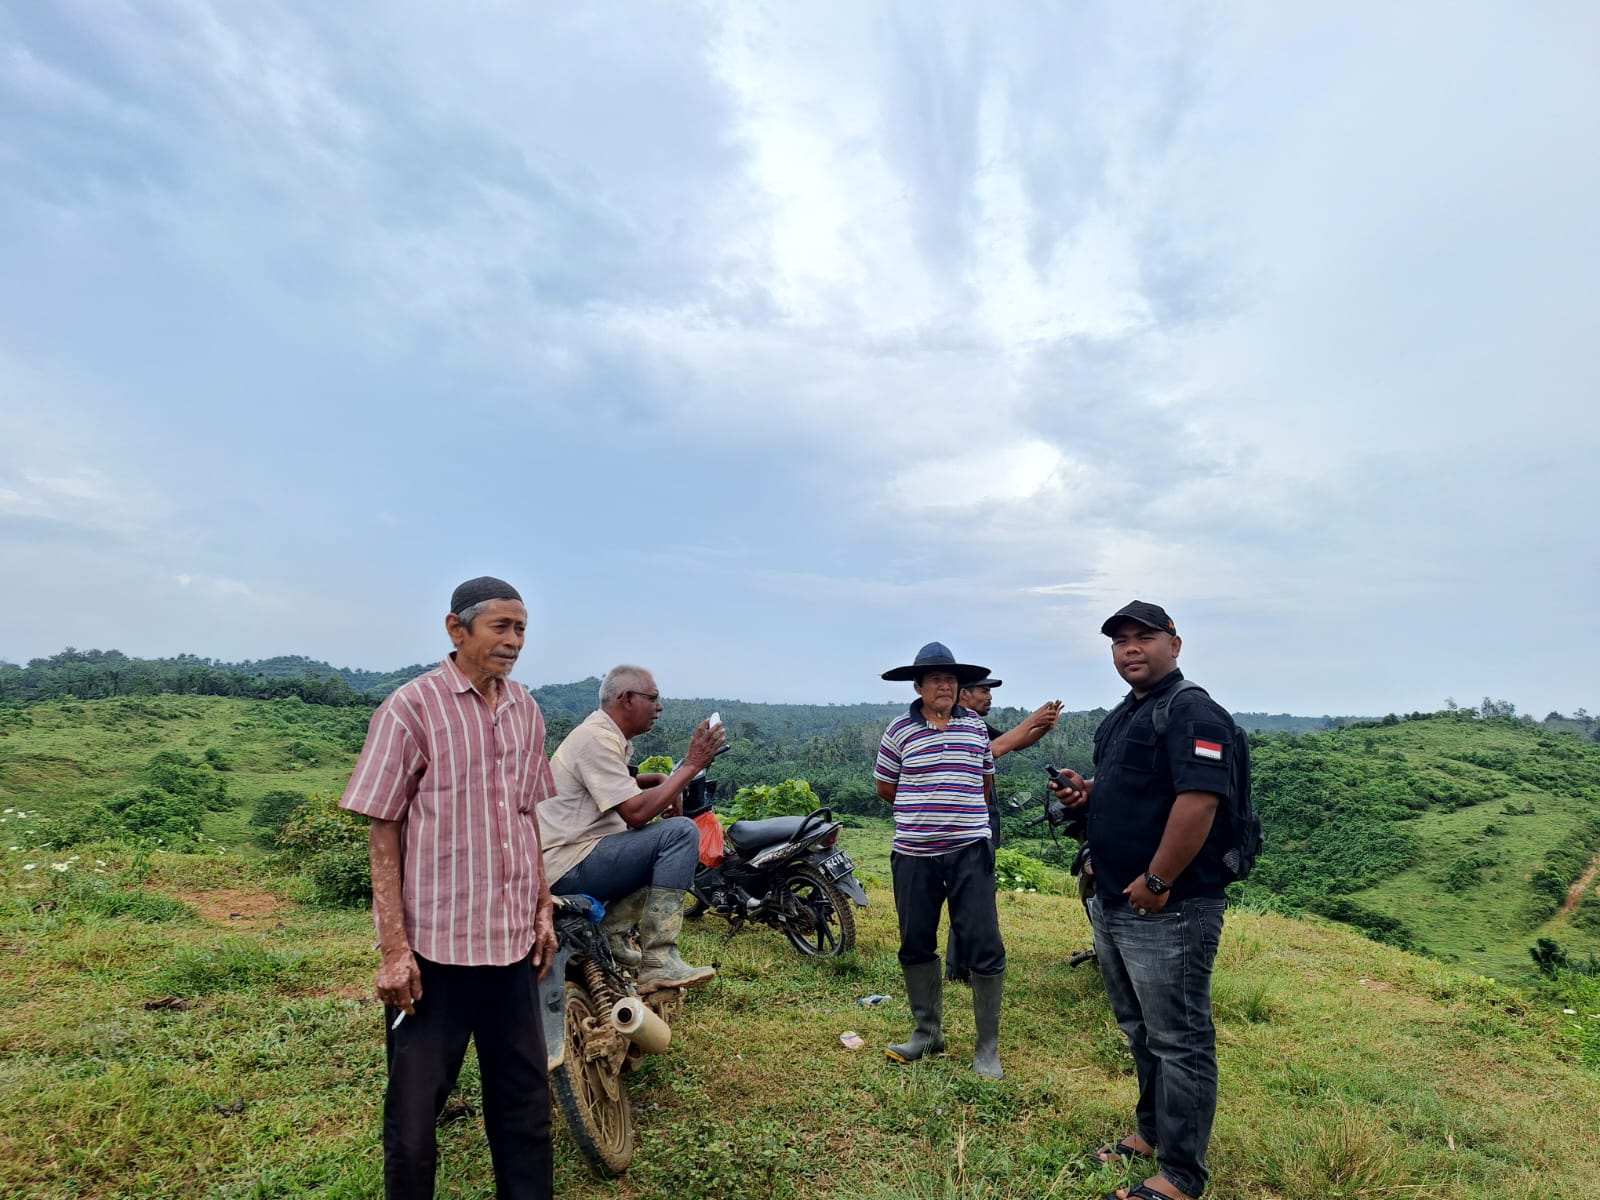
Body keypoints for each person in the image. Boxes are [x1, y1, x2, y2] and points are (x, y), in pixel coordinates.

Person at [340, 576, 557, 1200]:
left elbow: (528, 816)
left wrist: (541, 906)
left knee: (525, 1109)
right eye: (502, 627)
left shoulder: (527, 710)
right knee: (413, 1120)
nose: (514, 641)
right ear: (456, 629)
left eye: (521, 629)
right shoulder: (411, 708)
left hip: (513, 949)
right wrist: (393, 950)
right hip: (436, 955)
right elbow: (384, 828)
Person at [1049, 601, 1234, 1200]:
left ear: (1174, 644)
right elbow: (1133, 787)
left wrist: (1156, 881)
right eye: (1120, 640)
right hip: (1114, 899)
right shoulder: (1131, 714)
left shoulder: (1193, 711)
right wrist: (1087, 793)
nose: (1130, 648)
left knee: (1179, 1038)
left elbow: (1198, 802)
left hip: (1170, 906)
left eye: (1144, 637)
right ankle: (1152, 1133)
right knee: (1140, 1030)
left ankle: (1182, 1176)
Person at [537, 664, 725, 992]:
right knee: (679, 833)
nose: (659, 706)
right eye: (652, 698)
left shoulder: (604, 735)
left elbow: (610, 782)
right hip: (568, 863)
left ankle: (614, 930)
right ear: (626, 699)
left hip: (580, 855)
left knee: (666, 853)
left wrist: (656, 779)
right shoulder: (595, 737)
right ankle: (658, 959)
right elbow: (635, 813)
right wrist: (692, 765)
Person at [875, 641, 1007, 1079]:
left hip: (970, 851)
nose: (945, 686)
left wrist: (959, 819)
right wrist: (926, 814)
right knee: (916, 940)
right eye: (936, 680)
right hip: (914, 854)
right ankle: (927, 1032)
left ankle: (987, 1048)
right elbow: (886, 789)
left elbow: (986, 783)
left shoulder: (975, 730)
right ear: (919, 686)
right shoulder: (899, 731)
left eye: (951, 680)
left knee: (983, 944)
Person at [946, 676, 1062, 982]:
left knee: (972, 896)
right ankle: (963, 968)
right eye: (983, 690)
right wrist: (1033, 719)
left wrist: (1042, 727)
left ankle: (961, 966)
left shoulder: (975, 723)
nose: (989, 697)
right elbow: (997, 748)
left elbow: (1013, 743)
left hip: (982, 823)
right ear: (964, 695)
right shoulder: (960, 726)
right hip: (969, 827)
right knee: (970, 896)